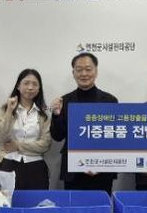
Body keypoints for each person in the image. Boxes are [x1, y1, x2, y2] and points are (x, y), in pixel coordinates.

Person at [50, 52, 118, 193]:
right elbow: (57, 136)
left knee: (101, 207)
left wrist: (98, 164)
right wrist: (56, 115)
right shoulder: (65, 100)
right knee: (75, 207)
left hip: (102, 170)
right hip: (74, 171)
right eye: (79, 70)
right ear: (73, 73)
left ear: (96, 71)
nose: (84, 74)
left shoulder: (110, 100)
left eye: (88, 69)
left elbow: (115, 138)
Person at [0, 69, 52, 190]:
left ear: (39, 89)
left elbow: (45, 144)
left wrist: (18, 146)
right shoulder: (4, 109)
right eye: (26, 83)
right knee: (6, 200)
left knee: (36, 201)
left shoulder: (44, 115)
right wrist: (9, 111)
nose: (30, 87)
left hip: (36, 167)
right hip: (8, 163)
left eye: (34, 84)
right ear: (18, 86)